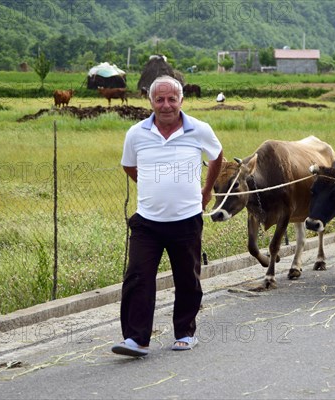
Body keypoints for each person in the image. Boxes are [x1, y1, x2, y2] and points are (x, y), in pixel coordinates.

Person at [112, 75, 223, 357]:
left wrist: (207, 190)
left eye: (172, 99)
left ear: (181, 101)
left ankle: (185, 333)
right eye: (159, 99)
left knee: (187, 278)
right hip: (147, 221)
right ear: (150, 102)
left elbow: (216, 156)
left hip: (186, 220)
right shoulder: (136, 133)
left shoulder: (199, 129)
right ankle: (136, 340)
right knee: (138, 276)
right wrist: (154, 186)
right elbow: (129, 166)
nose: (166, 105)